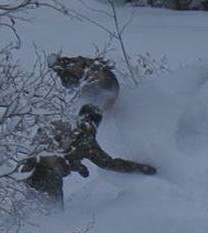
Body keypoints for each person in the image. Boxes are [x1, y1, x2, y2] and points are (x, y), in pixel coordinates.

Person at [21, 104, 156, 209]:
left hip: (28, 169)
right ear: (96, 122)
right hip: (49, 177)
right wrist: (142, 168)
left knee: (31, 209)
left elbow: (58, 151)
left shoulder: (64, 125)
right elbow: (109, 164)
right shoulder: (86, 139)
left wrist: (76, 166)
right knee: (51, 213)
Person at [48, 54, 120, 110]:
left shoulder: (69, 69)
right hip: (112, 84)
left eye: (55, 67)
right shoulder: (76, 61)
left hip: (107, 87)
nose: (55, 70)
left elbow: (75, 85)